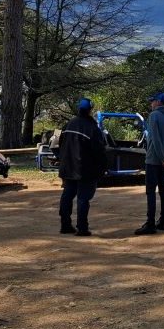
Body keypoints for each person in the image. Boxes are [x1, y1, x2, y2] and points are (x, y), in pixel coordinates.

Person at [57, 97, 107, 237]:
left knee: (67, 196)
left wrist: (61, 159)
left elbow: (58, 143)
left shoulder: (68, 125)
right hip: (85, 170)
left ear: (79, 109)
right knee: (83, 198)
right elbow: (100, 151)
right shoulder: (93, 128)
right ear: (90, 110)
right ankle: (82, 228)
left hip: (67, 168)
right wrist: (103, 168)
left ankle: (65, 225)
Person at [135, 91, 164, 235]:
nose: (151, 103)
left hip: (154, 160)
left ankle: (150, 224)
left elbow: (155, 140)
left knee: (151, 192)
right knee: (163, 191)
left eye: (153, 101)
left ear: (159, 102)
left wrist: (162, 158)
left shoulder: (154, 116)